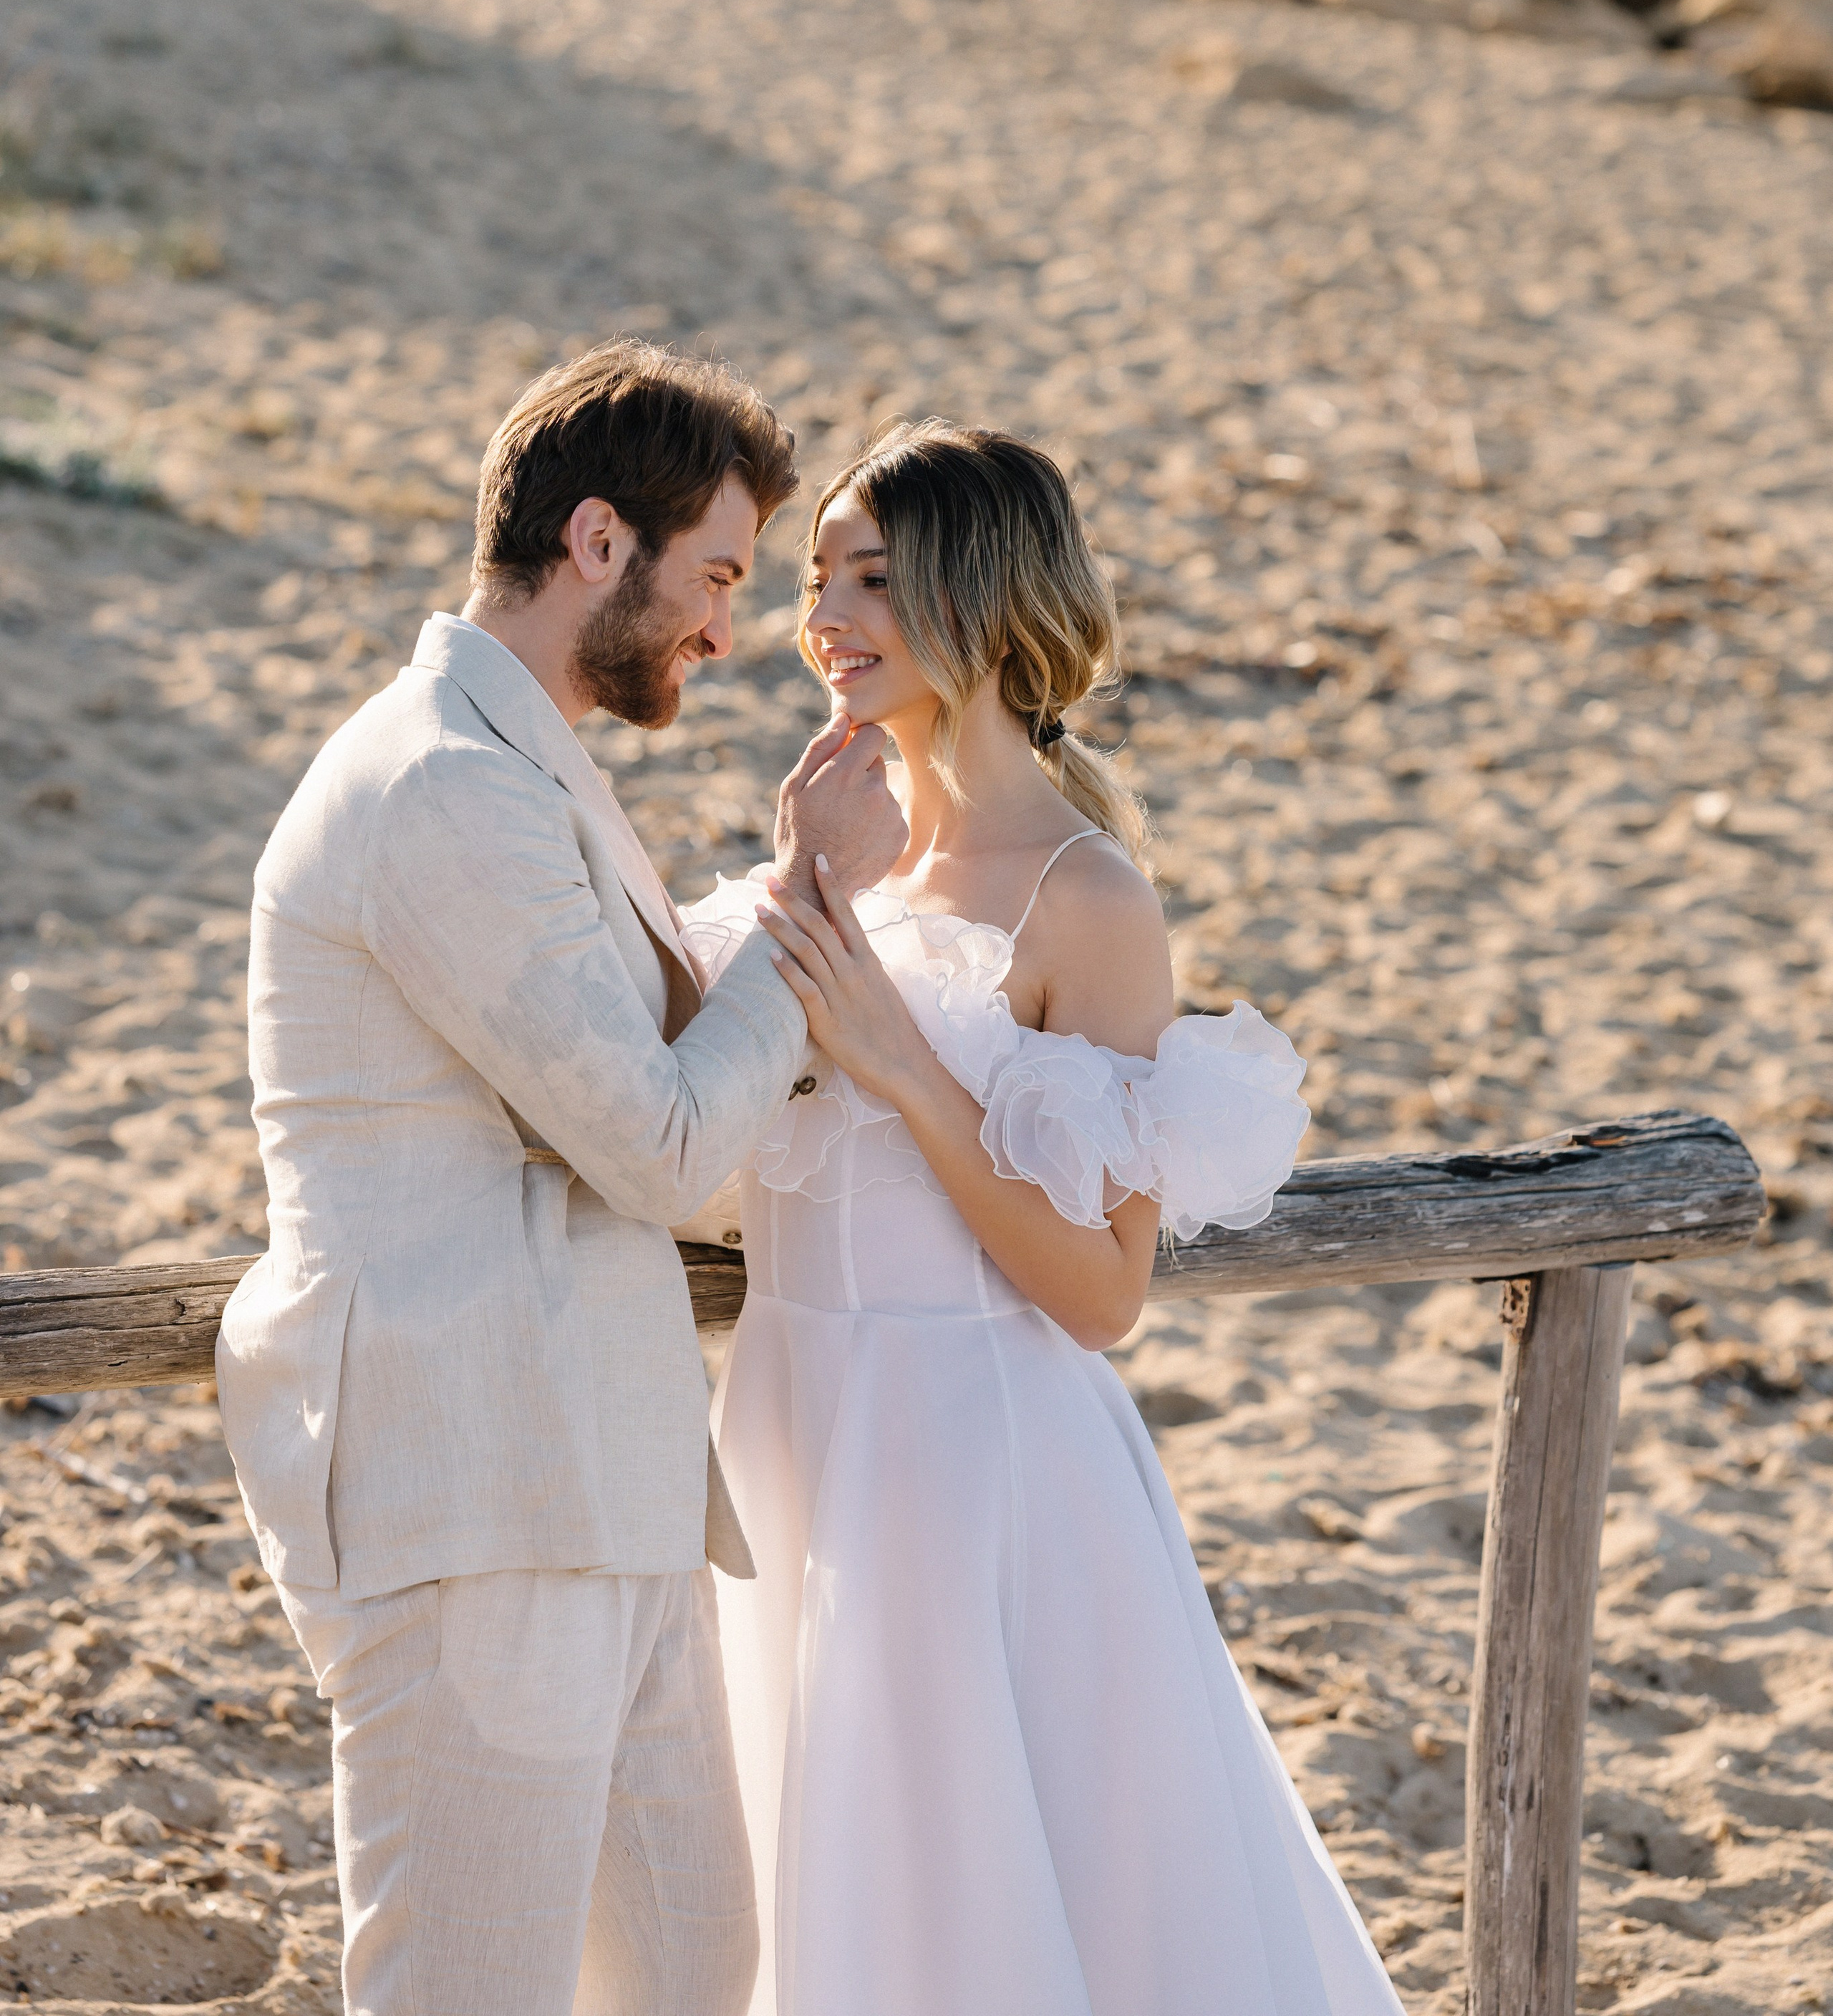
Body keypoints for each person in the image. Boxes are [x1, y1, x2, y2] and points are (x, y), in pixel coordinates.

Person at [215, 340, 904, 2016]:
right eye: (717, 576)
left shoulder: (525, 760)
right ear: (599, 542)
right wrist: (813, 907)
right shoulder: (440, 785)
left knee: (689, 1971)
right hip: (466, 1484)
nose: (726, 632)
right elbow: (661, 1143)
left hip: (604, 1479)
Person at [682, 421, 1405, 2016]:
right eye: (815, 577)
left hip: (973, 1462)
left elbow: (1102, 1293)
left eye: (868, 576)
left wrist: (899, 1068)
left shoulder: (1085, 895)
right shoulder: (828, 847)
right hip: (790, 1425)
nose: (823, 614)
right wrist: (800, 892)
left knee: (972, 1897)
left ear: (975, 594)